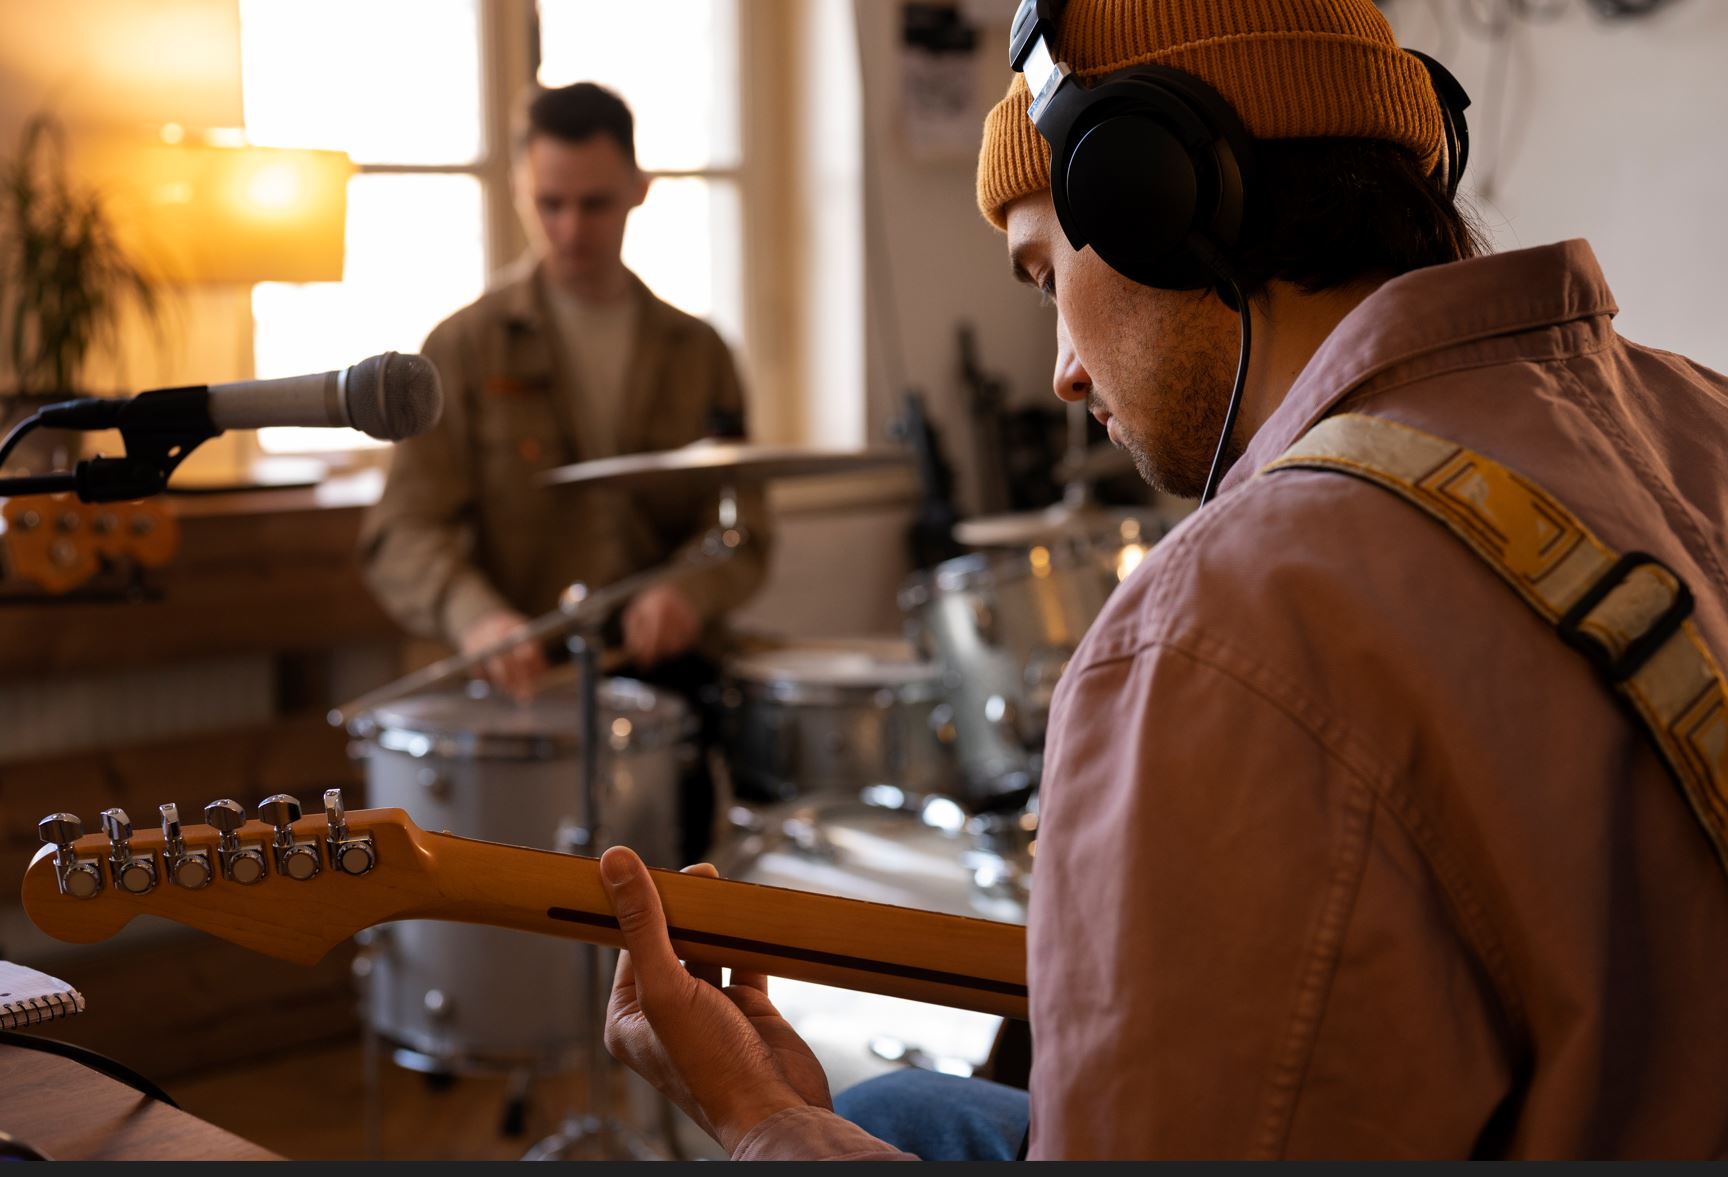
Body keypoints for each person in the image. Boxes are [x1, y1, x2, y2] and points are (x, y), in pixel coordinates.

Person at [587, 0, 1728, 1160]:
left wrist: (760, 1118)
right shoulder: (1701, 415)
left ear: (1160, 201)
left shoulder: (1219, 626)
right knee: (899, 1111)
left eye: (1046, 277)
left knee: (853, 1116)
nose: (1067, 371)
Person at [360, 83, 770, 860]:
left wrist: (690, 591)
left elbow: (744, 529)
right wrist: (474, 615)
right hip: (512, 716)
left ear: (639, 193)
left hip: (662, 707)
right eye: (549, 203)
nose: (570, 228)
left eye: (595, 204)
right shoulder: (462, 348)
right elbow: (402, 530)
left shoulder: (700, 353)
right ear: (520, 190)